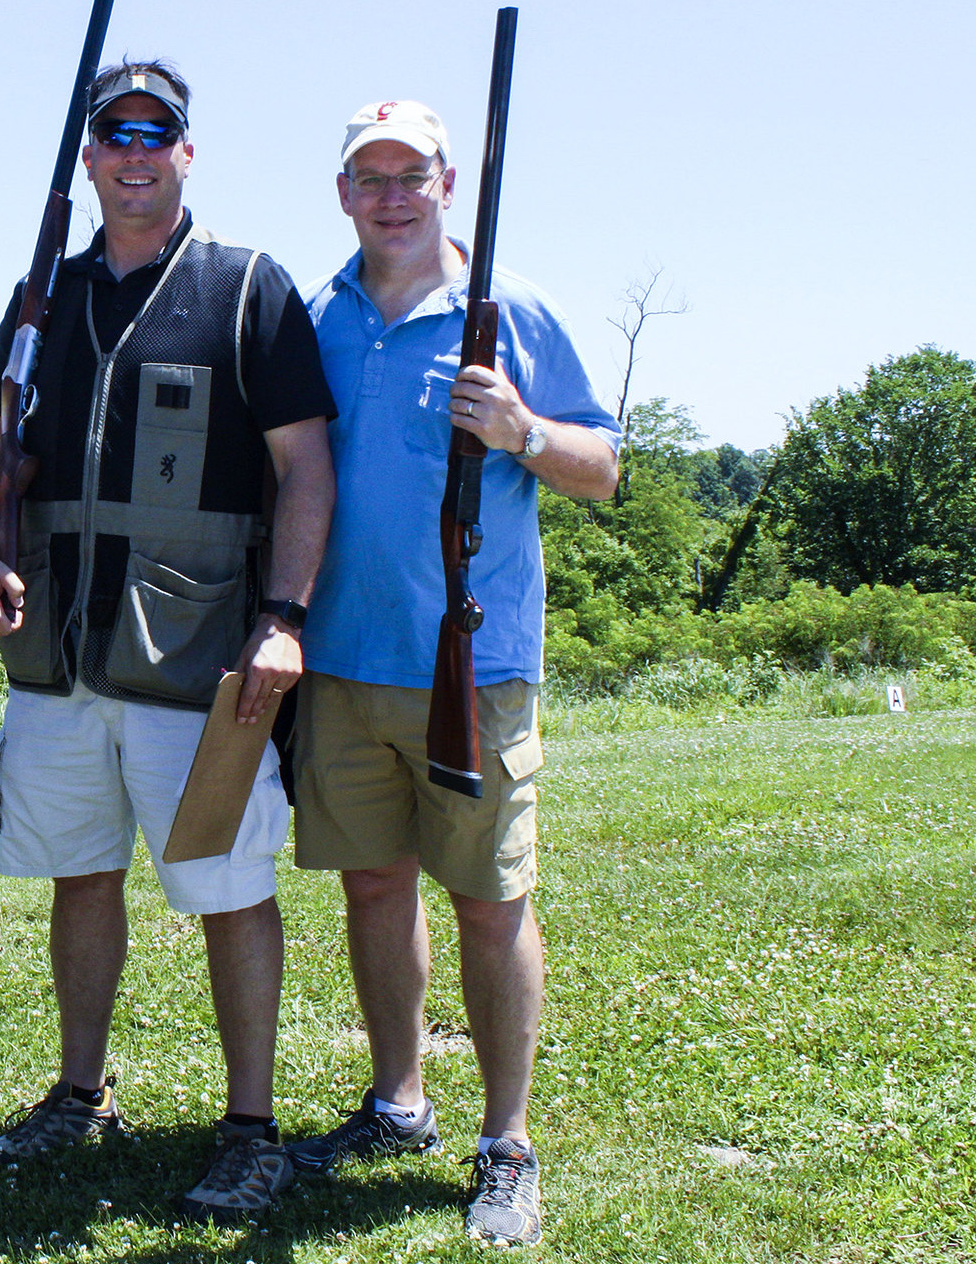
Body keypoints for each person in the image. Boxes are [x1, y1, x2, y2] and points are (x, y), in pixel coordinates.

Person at [0, 63, 336, 1220]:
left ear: (184, 151)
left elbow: (304, 466)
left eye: (152, 133)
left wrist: (283, 620)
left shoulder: (248, 287)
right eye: (111, 134)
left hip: (199, 655)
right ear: (88, 157)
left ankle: (252, 1128)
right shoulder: (44, 296)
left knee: (225, 884)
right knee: (80, 873)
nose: (132, 152)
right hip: (58, 655)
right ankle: (78, 1093)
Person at [285, 101, 621, 1248]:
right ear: (342, 193)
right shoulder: (314, 314)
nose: (389, 195)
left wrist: (524, 430)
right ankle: (397, 1106)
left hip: (472, 665)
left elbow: (603, 469)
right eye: (366, 176)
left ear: (443, 183)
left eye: (409, 174)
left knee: (489, 902)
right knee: (371, 888)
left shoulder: (509, 309)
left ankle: (506, 1144)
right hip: (339, 657)